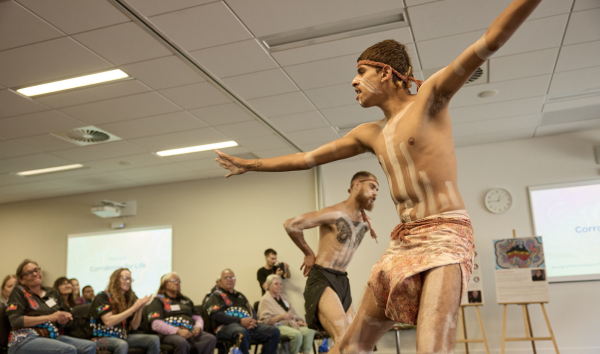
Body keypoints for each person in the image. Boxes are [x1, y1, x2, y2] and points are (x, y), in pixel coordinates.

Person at [215, 1, 542, 351]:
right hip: (404, 240)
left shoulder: (431, 98)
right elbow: (308, 158)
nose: (353, 81)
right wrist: (253, 165)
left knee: (430, 346)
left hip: (446, 234)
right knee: (347, 347)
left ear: (385, 73)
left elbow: (492, 39)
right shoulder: (370, 133)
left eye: (361, 71)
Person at [281, 171, 378, 343]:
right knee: (343, 338)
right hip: (322, 277)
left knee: (352, 341)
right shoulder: (335, 213)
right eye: (372, 187)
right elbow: (291, 224)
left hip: (342, 280)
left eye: (377, 189)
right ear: (356, 185)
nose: (375, 193)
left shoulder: (365, 222)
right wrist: (308, 253)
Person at [5, 259, 96, 354]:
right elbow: (15, 321)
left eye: (37, 270)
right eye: (29, 273)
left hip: (51, 337)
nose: (35, 274)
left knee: (90, 346)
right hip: (25, 339)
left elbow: (61, 320)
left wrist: (62, 320)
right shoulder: (18, 292)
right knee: (68, 350)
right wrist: (50, 317)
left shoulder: (52, 292)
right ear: (21, 280)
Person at [205, 269, 280, 354]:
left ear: (235, 280)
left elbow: (251, 311)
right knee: (241, 332)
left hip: (246, 326)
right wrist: (240, 321)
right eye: (226, 277)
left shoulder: (240, 296)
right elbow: (216, 315)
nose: (230, 279)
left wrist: (252, 321)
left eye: (232, 277)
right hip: (225, 327)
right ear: (220, 281)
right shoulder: (215, 296)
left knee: (273, 331)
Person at [89, 268, 159, 354]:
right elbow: (108, 322)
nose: (128, 282)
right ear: (116, 279)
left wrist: (139, 309)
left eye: (130, 279)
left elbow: (134, 326)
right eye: (125, 278)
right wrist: (133, 308)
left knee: (153, 340)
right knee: (122, 344)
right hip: (102, 337)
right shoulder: (103, 296)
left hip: (122, 336)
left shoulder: (126, 299)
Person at [146, 272, 217, 354]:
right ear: (164, 284)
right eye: (172, 280)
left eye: (178, 281)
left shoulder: (185, 299)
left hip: (189, 330)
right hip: (168, 334)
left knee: (210, 338)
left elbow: (197, 317)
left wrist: (198, 327)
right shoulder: (158, 300)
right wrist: (177, 331)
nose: (176, 283)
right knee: (181, 342)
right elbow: (156, 324)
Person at [258, 275, 315, 354]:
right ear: (269, 286)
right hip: (276, 326)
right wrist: (281, 316)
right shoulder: (265, 300)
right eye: (276, 284)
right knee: (297, 335)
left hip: (291, 324)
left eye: (280, 284)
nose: (279, 286)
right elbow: (264, 321)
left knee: (310, 330)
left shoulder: (284, 297)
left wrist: (298, 321)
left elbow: (293, 313)